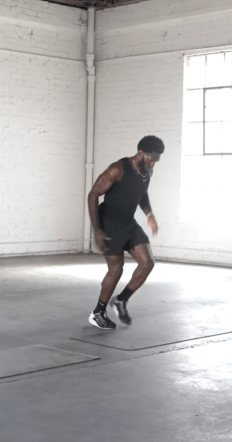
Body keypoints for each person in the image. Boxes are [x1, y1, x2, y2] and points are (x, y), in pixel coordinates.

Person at [86, 135, 164, 329]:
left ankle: (121, 300)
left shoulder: (147, 171)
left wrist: (149, 215)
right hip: (109, 223)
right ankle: (98, 313)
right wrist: (97, 229)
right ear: (141, 153)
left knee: (147, 263)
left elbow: (142, 193)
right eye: (151, 159)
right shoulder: (117, 169)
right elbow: (93, 194)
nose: (153, 164)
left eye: (156, 160)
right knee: (116, 270)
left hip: (128, 222)